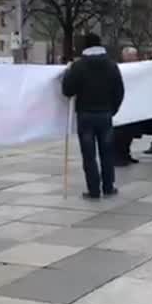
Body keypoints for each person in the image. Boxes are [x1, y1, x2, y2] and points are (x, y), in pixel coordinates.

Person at [62, 33, 125, 199]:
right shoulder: (111, 65)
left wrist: (68, 73)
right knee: (107, 152)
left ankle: (94, 190)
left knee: (89, 155)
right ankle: (109, 186)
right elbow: (119, 91)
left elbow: (67, 90)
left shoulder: (79, 66)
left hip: (85, 115)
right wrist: (112, 109)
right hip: (105, 114)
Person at [112, 47, 140, 167]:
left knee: (129, 133)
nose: (134, 58)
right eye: (131, 55)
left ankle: (126, 154)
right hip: (121, 105)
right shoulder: (118, 68)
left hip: (133, 105)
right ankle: (118, 156)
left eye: (134, 55)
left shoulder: (139, 68)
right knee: (120, 134)